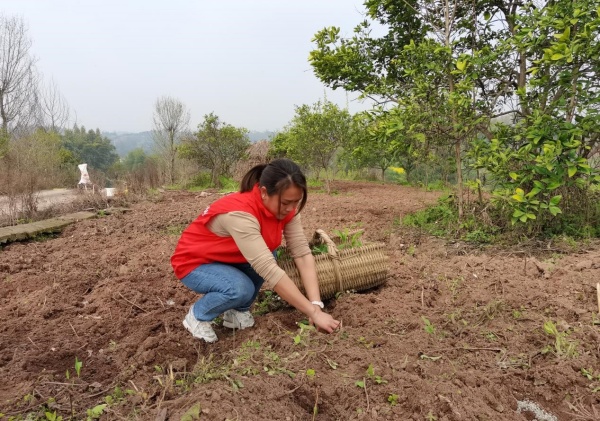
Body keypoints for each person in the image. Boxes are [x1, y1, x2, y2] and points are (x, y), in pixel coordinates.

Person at [171, 158, 340, 343]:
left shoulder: (287, 210)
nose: (291, 208)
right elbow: (268, 269)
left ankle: (236, 313)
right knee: (239, 288)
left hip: (231, 258)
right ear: (264, 192)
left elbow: (301, 253)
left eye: (296, 202)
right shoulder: (240, 214)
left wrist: (316, 304)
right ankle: (198, 316)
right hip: (195, 263)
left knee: (271, 254)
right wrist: (312, 312)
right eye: (286, 202)